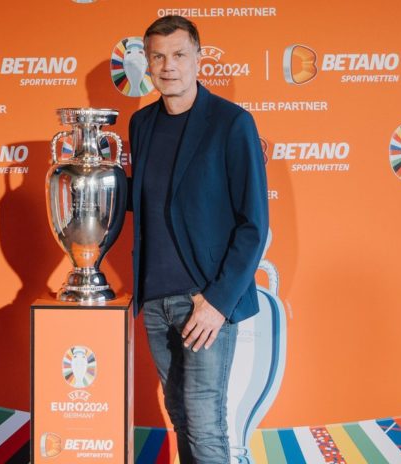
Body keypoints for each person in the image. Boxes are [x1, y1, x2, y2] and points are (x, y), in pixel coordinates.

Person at [129, 15, 269, 463]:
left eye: (179, 55)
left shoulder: (232, 124)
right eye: (158, 56)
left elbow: (254, 224)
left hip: (203, 302)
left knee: (206, 424)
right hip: (154, 301)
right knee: (181, 418)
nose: (168, 66)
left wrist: (217, 302)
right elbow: (151, 201)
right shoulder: (141, 124)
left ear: (198, 58)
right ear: (147, 64)